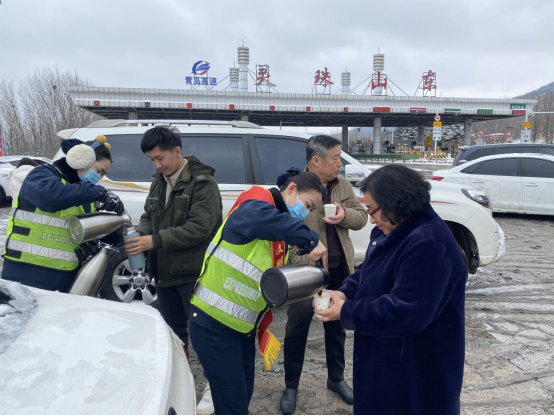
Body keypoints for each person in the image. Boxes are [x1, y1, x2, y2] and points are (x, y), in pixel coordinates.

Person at [316, 165, 468, 415]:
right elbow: (368, 269)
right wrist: (344, 292)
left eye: (372, 210)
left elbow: (405, 312)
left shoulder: (430, 243)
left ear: (395, 204)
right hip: (386, 359)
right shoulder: (391, 228)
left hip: (416, 369)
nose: (371, 219)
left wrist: (347, 311)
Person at [188, 168, 328, 415]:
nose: (306, 213)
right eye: (308, 205)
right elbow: (256, 220)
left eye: (312, 210)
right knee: (232, 407)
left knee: (242, 399)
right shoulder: (256, 201)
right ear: (292, 189)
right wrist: (310, 238)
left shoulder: (276, 226)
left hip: (242, 331)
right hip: (213, 325)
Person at [124, 126, 223, 415]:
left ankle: (216, 390)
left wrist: (154, 240)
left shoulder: (203, 184)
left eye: (160, 158)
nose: (157, 165)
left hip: (194, 274)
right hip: (165, 273)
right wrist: (141, 235)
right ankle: (182, 386)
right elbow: (148, 215)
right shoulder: (159, 182)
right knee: (174, 335)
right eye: (151, 160)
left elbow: (200, 228)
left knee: (205, 337)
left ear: (177, 151)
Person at [280, 135, 367, 414]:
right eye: (336, 158)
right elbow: (280, 229)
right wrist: (300, 256)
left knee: (336, 326)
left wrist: (344, 215)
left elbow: (362, 217)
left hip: (339, 269)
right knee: (297, 328)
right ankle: (291, 385)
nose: (340, 164)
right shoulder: (295, 187)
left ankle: (336, 378)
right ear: (316, 160)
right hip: (305, 271)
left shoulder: (342, 185)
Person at [2, 136, 124, 292]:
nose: (98, 178)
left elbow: (75, 228)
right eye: (99, 171)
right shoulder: (41, 175)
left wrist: (90, 244)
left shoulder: (82, 192)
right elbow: (49, 197)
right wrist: (99, 192)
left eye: (102, 174)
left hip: (62, 276)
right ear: (81, 159)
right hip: (26, 272)